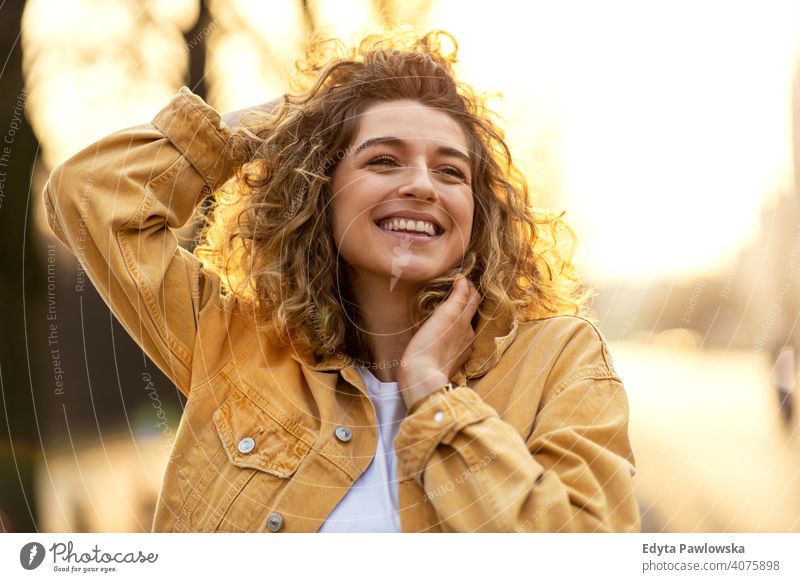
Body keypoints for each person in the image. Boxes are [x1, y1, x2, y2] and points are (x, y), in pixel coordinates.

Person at [42, 29, 640, 532]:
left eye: (451, 171)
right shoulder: (235, 344)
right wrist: (291, 123)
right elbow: (92, 196)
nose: (423, 186)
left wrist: (433, 396)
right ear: (319, 192)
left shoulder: (558, 357)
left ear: (478, 211)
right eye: (383, 159)